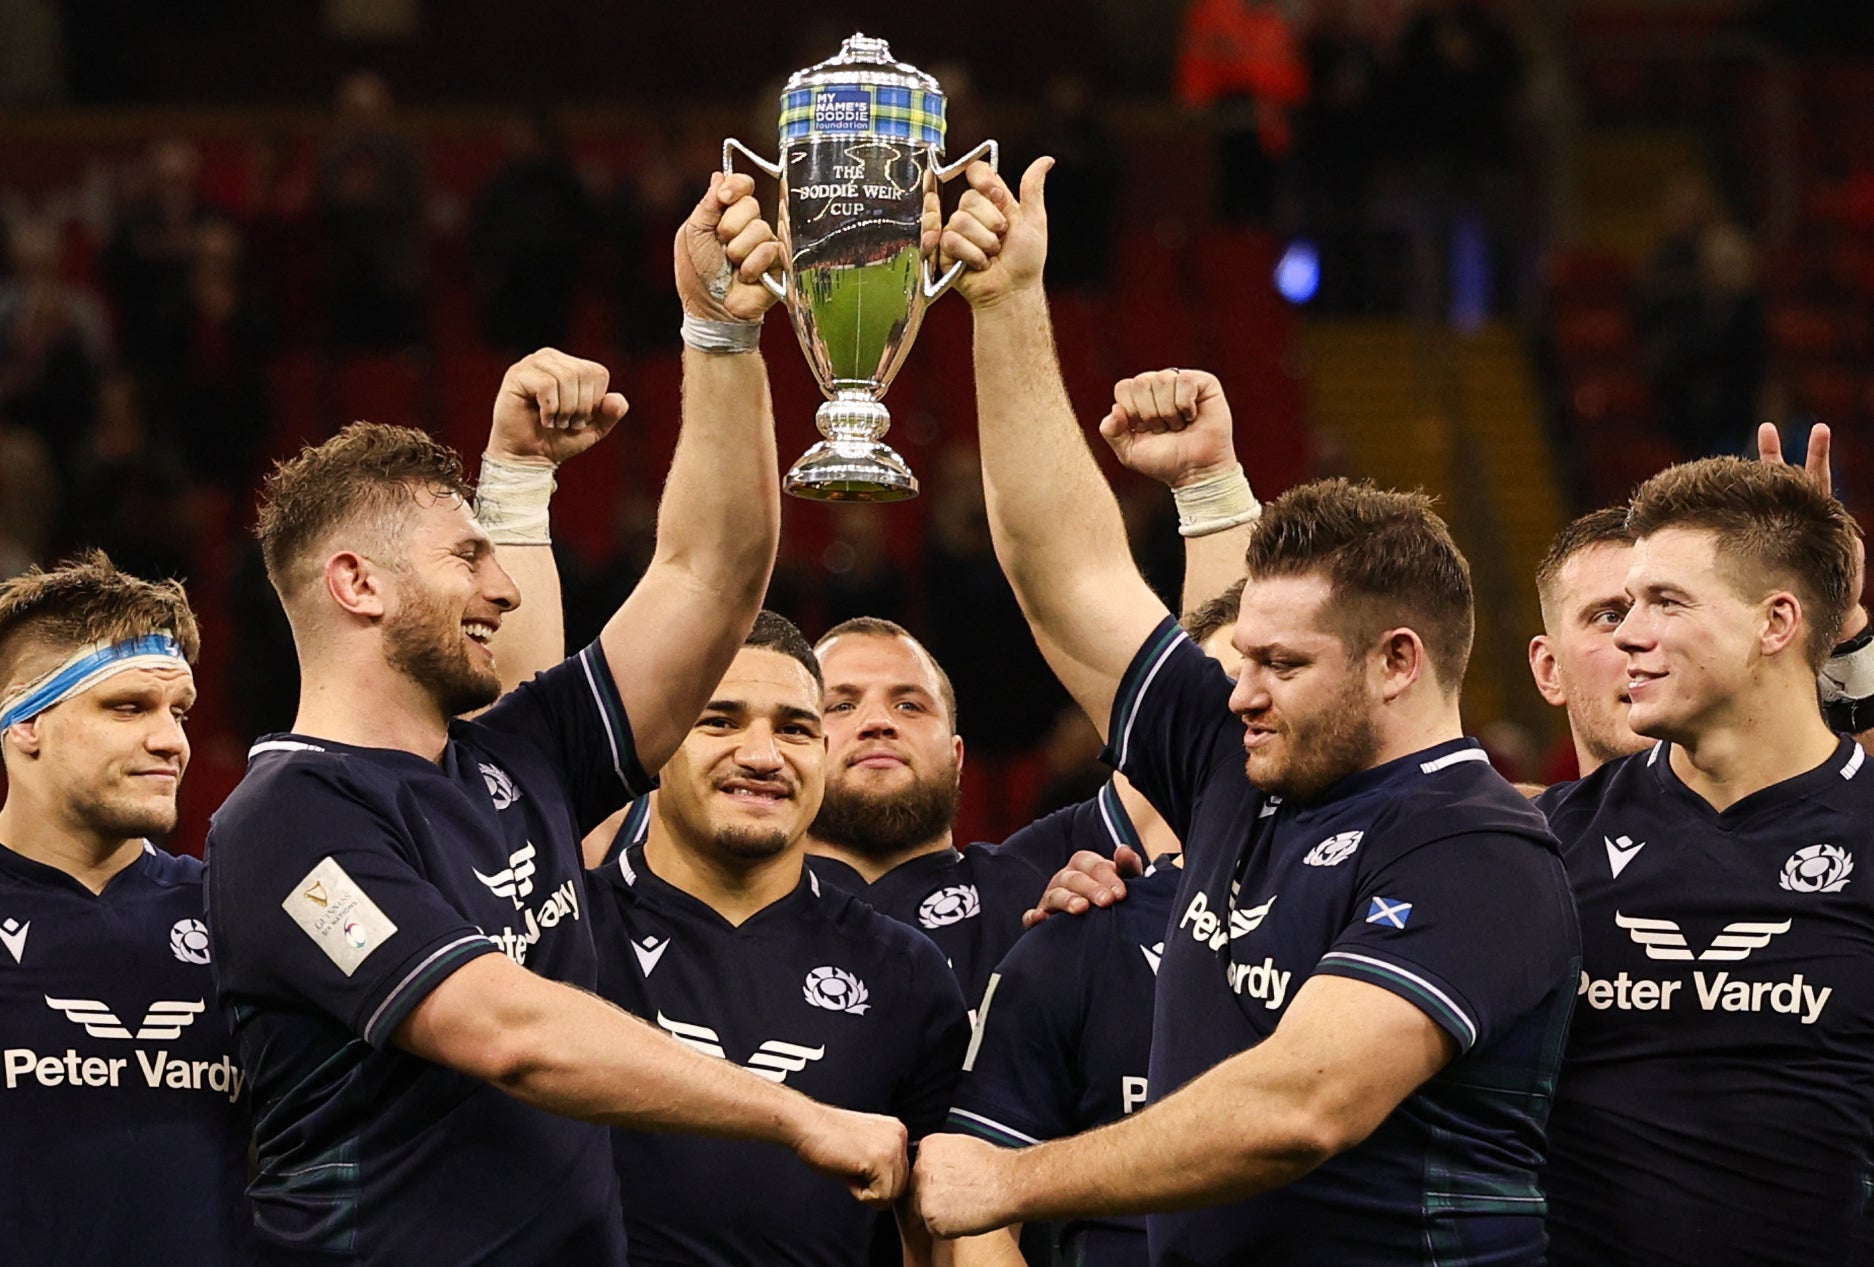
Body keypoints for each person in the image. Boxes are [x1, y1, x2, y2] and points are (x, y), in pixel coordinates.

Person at [205, 175, 908, 1266]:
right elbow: (507, 1031)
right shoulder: (285, 822)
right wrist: (792, 1110)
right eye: (466, 558)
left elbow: (713, 575)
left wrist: (718, 331)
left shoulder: (513, 756)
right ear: (356, 584)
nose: (507, 591)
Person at [910, 158, 1579, 1265]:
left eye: (1279, 660)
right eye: (1240, 655)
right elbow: (1065, 573)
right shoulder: (1245, 762)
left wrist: (1013, 1178)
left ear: (1396, 661)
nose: (1238, 685)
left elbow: (1296, 1108)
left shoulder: (1479, 848)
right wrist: (1007, 303)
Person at [1535, 454, 1874, 1265]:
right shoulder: (1543, 843)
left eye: (1665, 601)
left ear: (1775, 623)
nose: (1628, 633)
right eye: (1620, 607)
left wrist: (1852, 626)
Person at [589, 611, 970, 1266]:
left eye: (795, 728)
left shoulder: (906, 970)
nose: (763, 756)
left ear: (823, 755)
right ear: (654, 744)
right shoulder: (562, 931)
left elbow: (945, 1234)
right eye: (721, 720)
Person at [943, 584, 1244, 1267]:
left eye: (1277, 676)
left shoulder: (1393, 909)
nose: (1246, 711)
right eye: (1221, 694)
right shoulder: (1081, 929)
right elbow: (974, 1203)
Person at [0, 553, 250, 1264]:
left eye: (180, 711)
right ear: (25, 724)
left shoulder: (231, 913)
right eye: (128, 707)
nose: (172, 740)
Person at [1527, 505, 1648, 780]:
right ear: (1549, 669)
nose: (1642, 637)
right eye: (1610, 617)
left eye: (1667, 606)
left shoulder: (1765, 820)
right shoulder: (1509, 822)